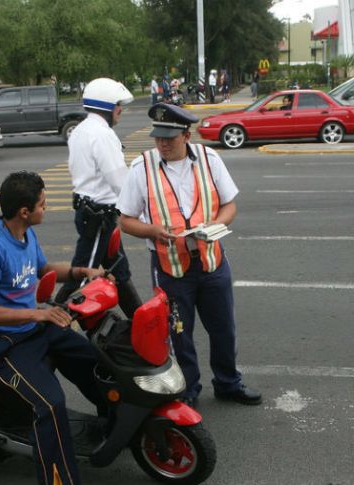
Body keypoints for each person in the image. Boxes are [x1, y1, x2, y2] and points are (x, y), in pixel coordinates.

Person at [117, 103, 262, 408]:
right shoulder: (141, 167)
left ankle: (228, 383)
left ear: (187, 134)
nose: (162, 143)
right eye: (158, 137)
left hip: (211, 260)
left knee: (223, 328)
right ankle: (189, 388)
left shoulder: (210, 159)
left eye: (169, 137)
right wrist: (153, 231)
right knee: (179, 333)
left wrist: (216, 226)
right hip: (170, 266)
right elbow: (126, 219)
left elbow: (230, 205)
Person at [0, 171, 107, 485]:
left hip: (32, 328)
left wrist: (81, 271)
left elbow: (43, 269)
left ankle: (111, 427)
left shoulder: (25, 234)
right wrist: (38, 315)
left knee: (96, 360)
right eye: (43, 205)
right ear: (24, 211)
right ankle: (59, 480)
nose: (47, 209)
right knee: (50, 403)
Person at [61, 77, 143, 316]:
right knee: (81, 274)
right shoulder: (102, 135)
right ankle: (52, 322)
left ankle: (139, 322)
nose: (121, 110)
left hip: (95, 213)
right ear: (108, 106)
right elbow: (121, 182)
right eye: (119, 105)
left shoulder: (81, 129)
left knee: (120, 270)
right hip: (98, 217)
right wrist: (143, 214)